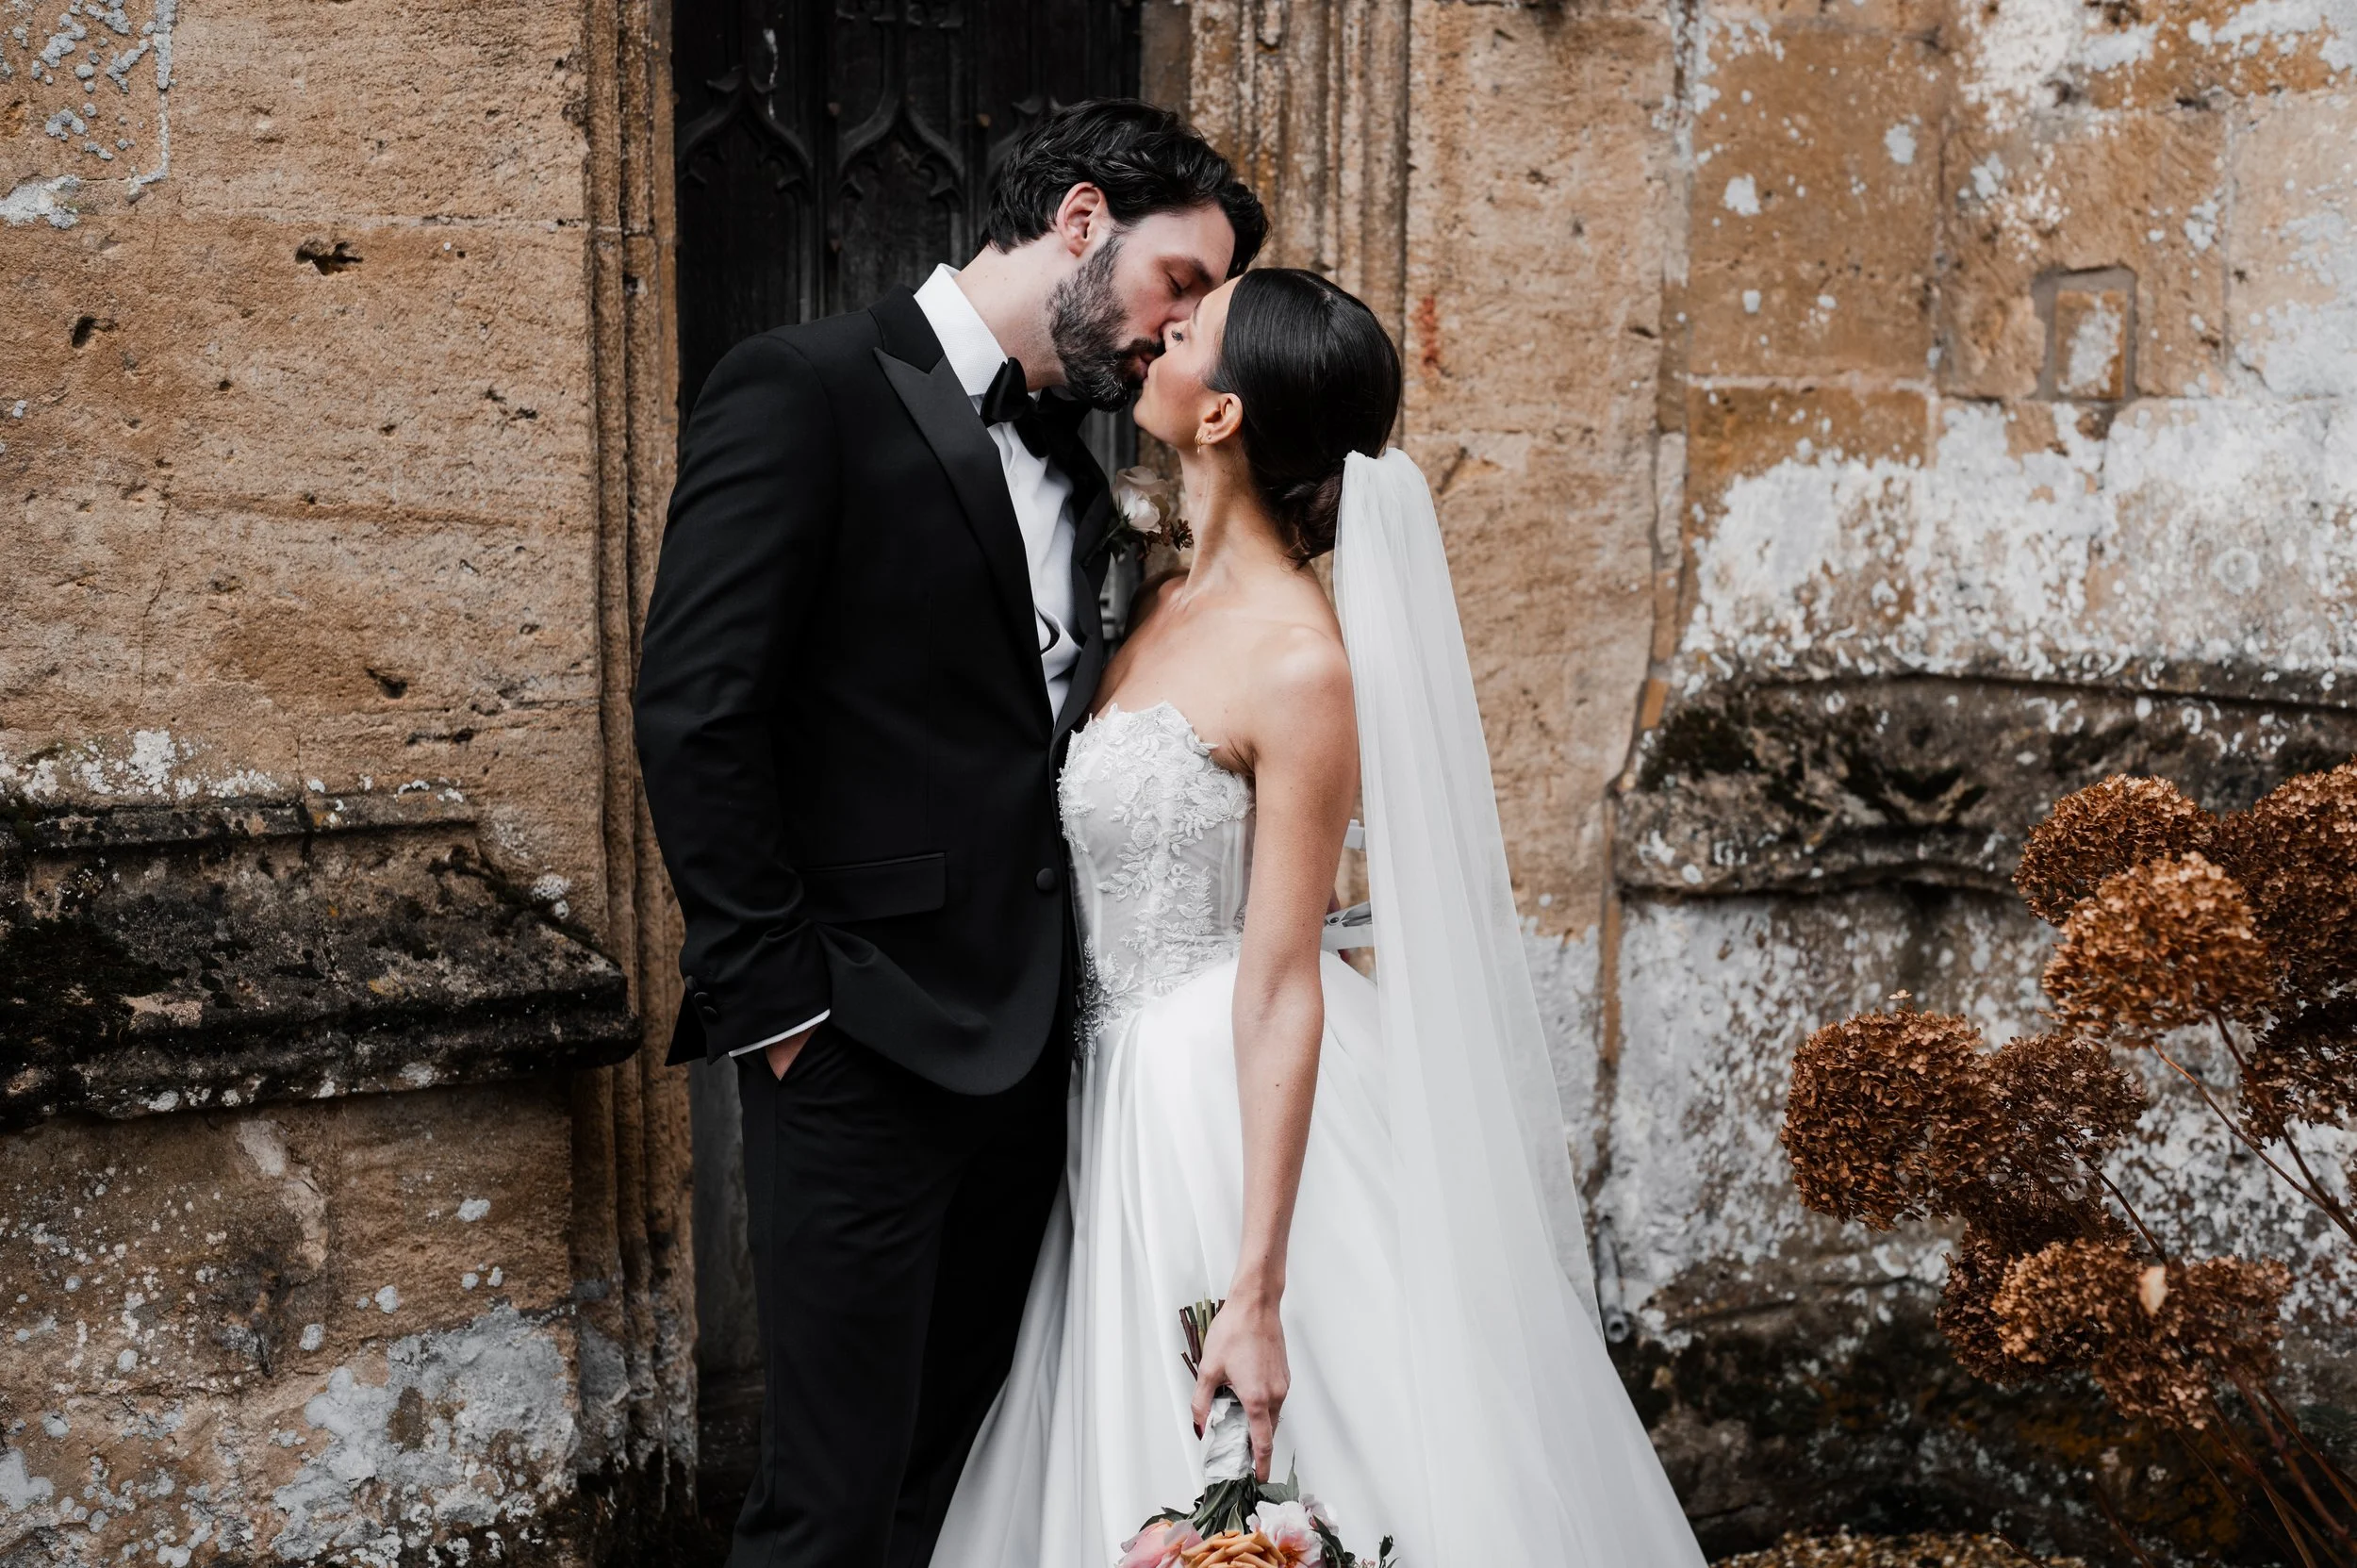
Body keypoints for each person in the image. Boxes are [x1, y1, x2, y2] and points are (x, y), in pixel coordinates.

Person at [930, 270, 1709, 1566]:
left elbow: (1286, 974)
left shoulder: (1300, 662)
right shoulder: (1162, 601)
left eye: (1187, 332)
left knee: (1276, 1464)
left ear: (1223, 413)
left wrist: (1257, 1287)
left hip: (1223, 1112)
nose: (1156, 334)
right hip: (1114, 1093)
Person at [633, 101, 1265, 1568]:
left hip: (1044, 1062)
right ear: (1085, 220)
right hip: (857, 1041)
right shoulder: (802, 388)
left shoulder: (1082, 470)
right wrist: (783, 1006)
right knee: (831, 1503)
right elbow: (695, 709)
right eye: (1182, 284)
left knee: (960, 1482)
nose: (1179, 336)